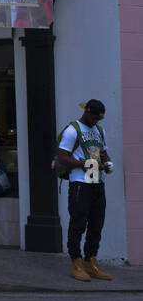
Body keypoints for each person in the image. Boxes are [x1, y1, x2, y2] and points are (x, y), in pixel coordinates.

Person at [59, 99, 114, 282]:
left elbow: (104, 152)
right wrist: (85, 163)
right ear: (87, 113)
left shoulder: (99, 130)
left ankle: (91, 261)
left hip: (97, 182)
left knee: (97, 224)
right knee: (78, 223)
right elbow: (63, 158)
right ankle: (76, 262)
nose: (96, 121)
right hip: (80, 183)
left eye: (99, 119)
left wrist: (105, 163)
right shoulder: (72, 130)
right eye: (94, 117)